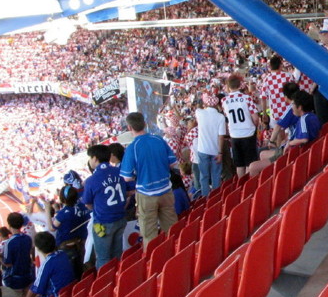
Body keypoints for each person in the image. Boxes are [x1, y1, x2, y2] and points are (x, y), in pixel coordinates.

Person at [120, 112, 179, 246]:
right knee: (172, 228)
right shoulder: (159, 140)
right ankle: (177, 255)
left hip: (146, 195)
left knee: (149, 234)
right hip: (166, 190)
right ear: (145, 124)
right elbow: (172, 163)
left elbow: (127, 177)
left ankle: (155, 264)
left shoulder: (132, 148)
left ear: (129, 128)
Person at [247, 91, 321, 177]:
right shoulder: (313, 116)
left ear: (299, 107)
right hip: (299, 153)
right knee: (262, 154)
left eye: (293, 104)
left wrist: (289, 143)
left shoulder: (303, 119)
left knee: (253, 167)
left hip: (291, 154)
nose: (291, 107)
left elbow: (304, 139)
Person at [83, 144, 127, 268]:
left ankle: (106, 285)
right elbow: (130, 190)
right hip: (120, 218)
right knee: (117, 254)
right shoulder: (119, 171)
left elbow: (87, 203)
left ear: (95, 158)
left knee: (103, 258)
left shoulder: (91, 180)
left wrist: (98, 209)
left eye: (90, 158)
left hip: (103, 223)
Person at [21, 232, 73, 297]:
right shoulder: (63, 254)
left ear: (38, 248)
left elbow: (36, 288)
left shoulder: (47, 263)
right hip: (68, 294)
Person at [222, 75, 261, 178]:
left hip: (234, 135)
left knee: (239, 165)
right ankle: (250, 186)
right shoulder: (247, 98)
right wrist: (254, 126)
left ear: (228, 86)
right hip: (248, 133)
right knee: (250, 163)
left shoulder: (224, 101)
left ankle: (242, 187)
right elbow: (256, 118)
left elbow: (227, 118)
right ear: (239, 85)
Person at [52, 183, 89, 280]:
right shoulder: (82, 206)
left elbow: (53, 227)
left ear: (62, 199)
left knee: (71, 273)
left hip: (66, 247)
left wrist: (50, 210)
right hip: (81, 243)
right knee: (81, 269)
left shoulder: (63, 214)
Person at [193, 92, 226, 196]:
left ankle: (205, 198)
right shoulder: (220, 117)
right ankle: (215, 198)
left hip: (202, 150)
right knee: (216, 175)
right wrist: (220, 153)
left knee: (204, 176)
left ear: (205, 104)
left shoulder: (199, 112)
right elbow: (221, 137)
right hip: (216, 151)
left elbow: (198, 107)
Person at [0, 212, 34, 291]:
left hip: (15, 280)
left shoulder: (9, 242)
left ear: (9, 225)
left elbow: (8, 264)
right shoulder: (28, 238)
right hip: (28, 275)